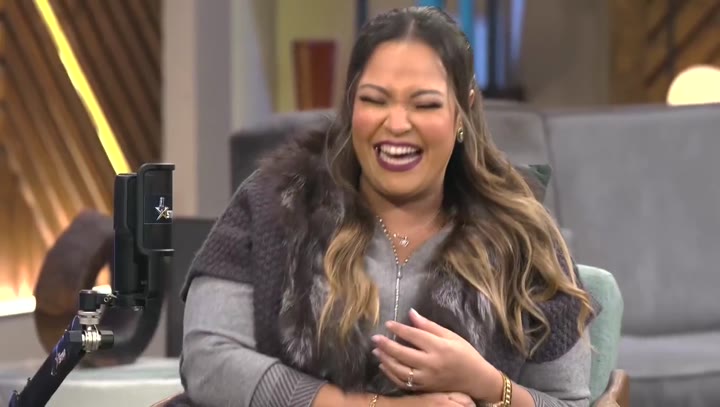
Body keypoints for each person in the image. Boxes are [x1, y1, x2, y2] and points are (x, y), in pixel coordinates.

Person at [179, 6, 597, 407]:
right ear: (351, 105)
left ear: (462, 113)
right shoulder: (275, 204)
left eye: (425, 104)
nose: (396, 124)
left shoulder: (524, 236)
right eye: (375, 100)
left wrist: (486, 384)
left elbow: (569, 402)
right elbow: (208, 360)